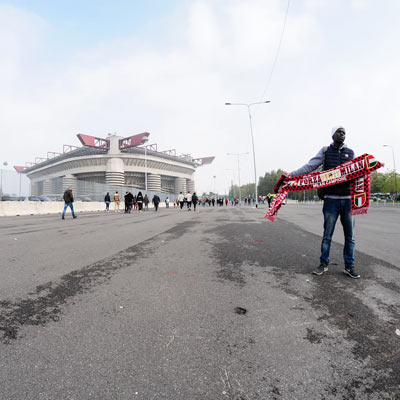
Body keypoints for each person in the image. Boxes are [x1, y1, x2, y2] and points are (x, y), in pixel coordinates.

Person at [283, 126, 359, 279]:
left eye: (344, 132)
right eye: (339, 131)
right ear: (332, 135)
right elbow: (310, 166)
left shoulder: (351, 153)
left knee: (350, 237)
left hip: (348, 200)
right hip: (331, 200)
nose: (342, 134)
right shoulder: (325, 152)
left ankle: (349, 266)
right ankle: (323, 264)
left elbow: (358, 173)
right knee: (327, 235)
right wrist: (291, 175)